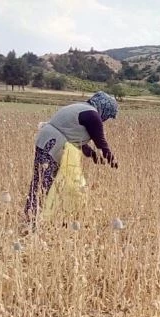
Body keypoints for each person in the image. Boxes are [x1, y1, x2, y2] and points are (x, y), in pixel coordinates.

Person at [23, 91, 119, 226]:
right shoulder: (93, 116)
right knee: (43, 183)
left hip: (45, 141)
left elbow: (78, 140)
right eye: (108, 116)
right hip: (52, 144)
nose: (106, 119)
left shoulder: (82, 108)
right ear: (105, 108)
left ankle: (32, 217)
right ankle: (32, 220)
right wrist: (112, 160)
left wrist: (94, 156)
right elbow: (101, 143)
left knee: (41, 181)